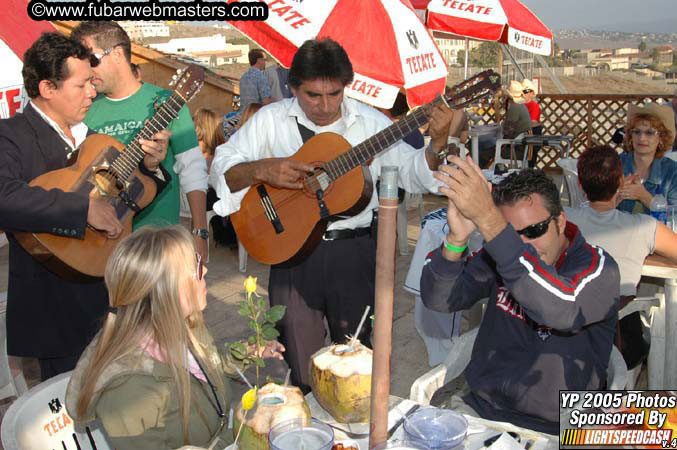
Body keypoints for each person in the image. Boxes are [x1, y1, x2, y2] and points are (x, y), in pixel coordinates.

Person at [210, 38, 457, 392]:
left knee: (356, 364)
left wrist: (436, 144)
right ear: (293, 87)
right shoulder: (269, 121)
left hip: (353, 254)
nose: (325, 106)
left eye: (335, 94)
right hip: (290, 254)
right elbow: (222, 166)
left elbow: (414, 174)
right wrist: (263, 169)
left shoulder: (371, 124)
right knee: (298, 361)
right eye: (313, 95)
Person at [0, 32, 168, 380]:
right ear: (47, 88)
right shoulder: (11, 135)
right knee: (71, 416)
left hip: (110, 301)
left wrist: (151, 167)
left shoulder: (92, 139)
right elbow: (5, 197)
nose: (93, 92)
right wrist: (82, 209)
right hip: (55, 313)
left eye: (93, 83)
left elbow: (132, 196)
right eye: (82, 85)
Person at [421, 163, 619, 434]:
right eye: (512, 235)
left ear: (560, 221)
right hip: (482, 409)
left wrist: (493, 225)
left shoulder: (599, 268)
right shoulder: (501, 257)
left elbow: (560, 309)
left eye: (535, 230)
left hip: (560, 426)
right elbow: (440, 300)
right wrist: (457, 239)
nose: (525, 243)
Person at [65, 226, 284, 450]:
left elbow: (203, 367)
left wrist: (241, 354)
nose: (206, 271)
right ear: (166, 291)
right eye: (196, 267)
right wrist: (244, 434)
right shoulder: (128, 392)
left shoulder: (183, 325)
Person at [70, 21, 210, 260]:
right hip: (100, 243)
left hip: (159, 241)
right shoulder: (85, 109)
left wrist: (200, 232)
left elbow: (192, 169)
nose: (87, 70)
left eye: (91, 59)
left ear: (116, 54)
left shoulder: (166, 102)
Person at [566, 145, 677, 368]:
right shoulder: (643, 227)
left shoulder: (564, 220)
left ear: (580, 185)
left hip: (567, 326)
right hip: (620, 339)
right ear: (620, 183)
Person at [617, 102, 677, 212]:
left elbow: (674, 218)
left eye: (649, 133)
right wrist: (616, 196)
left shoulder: (672, 171)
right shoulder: (614, 165)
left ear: (661, 138)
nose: (642, 138)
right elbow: (597, 211)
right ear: (630, 136)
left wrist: (645, 197)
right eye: (637, 132)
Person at [478, 80, 531, 168]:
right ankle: (493, 170)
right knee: (489, 147)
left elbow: (507, 131)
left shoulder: (515, 107)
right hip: (521, 146)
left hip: (515, 149)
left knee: (483, 149)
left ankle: (480, 172)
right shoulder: (520, 105)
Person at [239, 49, 273, 114]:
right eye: (264, 60)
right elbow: (266, 101)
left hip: (243, 116)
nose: (265, 62)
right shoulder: (261, 77)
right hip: (256, 115)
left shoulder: (243, 77)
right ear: (259, 60)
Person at [522, 79, 542, 168]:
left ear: (532, 93)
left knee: (530, 159)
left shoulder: (534, 106)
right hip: (523, 133)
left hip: (531, 134)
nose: (523, 93)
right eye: (522, 91)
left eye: (526, 91)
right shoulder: (519, 105)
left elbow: (533, 122)